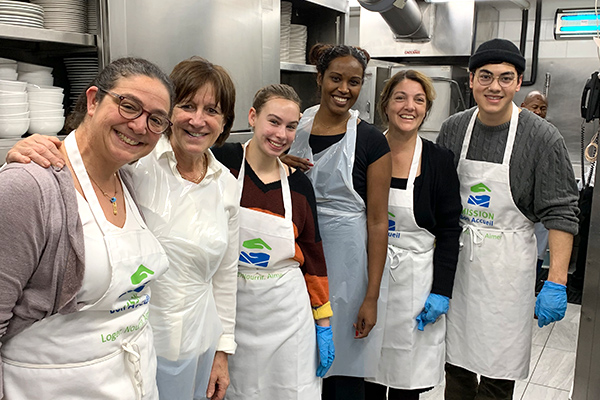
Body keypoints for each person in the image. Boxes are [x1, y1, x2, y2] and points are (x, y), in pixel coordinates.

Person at [6, 56, 240, 400]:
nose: (197, 119)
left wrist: (223, 348)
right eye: (186, 106)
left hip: (175, 347)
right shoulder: (136, 167)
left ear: (225, 123)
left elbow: (226, 275)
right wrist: (29, 149)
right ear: (92, 100)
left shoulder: (224, 186)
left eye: (212, 110)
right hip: (76, 369)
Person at [0, 57, 174, 399]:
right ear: (93, 101)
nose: (140, 126)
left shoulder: (128, 179)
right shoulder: (29, 187)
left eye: (156, 120)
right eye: (128, 106)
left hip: (132, 379)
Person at [437, 38, 579, 400]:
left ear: (518, 83)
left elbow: (561, 212)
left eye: (505, 78)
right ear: (471, 80)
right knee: (455, 365)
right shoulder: (454, 128)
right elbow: (438, 199)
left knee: (499, 374)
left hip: (507, 272)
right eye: (485, 77)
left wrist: (556, 282)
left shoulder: (542, 136)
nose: (494, 87)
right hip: (459, 267)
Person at [210, 84, 334, 399]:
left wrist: (324, 322)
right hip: (233, 317)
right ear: (253, 117)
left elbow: (314, 256)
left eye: (291, 127)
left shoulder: (299, 186)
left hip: (288, 319)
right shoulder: (219, 164)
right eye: (273, 122)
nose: (281, 134)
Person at [283, 43, 392, 400]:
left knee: (343, 377)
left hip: (347, 270)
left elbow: (377, 222)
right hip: (294, 261)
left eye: (354, 81)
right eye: (335, 78)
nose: (344, 89)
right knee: (295, 367)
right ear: (319, 78)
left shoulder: (372, 141)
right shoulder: (291, 129)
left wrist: (371, 297)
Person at [364, 70, 461, 400]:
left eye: (419, 100)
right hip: (368, 278)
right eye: (400, 97)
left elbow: (449, 231)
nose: (409, 106)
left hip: (416, 287)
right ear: (386, 105)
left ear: (427, 108)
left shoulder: (438, 160)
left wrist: (441, 292)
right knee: (367, 379)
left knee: (407, 385)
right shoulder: (364, 150)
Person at [520, 91, 550, 284]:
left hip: (540, 205)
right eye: (535, 107)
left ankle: (532, 292)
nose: (538, 112)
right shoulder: (513, 131)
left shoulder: (549, 135)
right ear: (523, 106)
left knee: (538, 250)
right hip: (518, 207)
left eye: (543, 108)